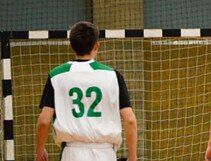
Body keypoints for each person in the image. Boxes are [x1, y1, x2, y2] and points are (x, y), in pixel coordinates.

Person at [35, 21, 138, 161]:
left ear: (72, 46)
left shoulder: (56, 75)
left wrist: (40, 150)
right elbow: (130, 120)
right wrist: (132, 157)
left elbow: (44, 121)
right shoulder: (113, 75)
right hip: (106, 153)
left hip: (72, 153)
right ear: (96, 46)